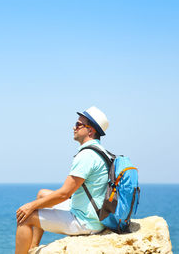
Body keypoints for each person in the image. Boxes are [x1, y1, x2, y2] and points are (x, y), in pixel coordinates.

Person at [15, 106, 111, 254]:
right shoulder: (101, 152)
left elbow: (64, 194)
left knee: (25, 217)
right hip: (94, 214)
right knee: (42, 194)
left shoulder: (86, 156)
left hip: (85, 221)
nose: (74, 127)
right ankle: (33, 248)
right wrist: (37, 204)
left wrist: (30, 206)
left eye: (79, 125)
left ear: (90, 131)